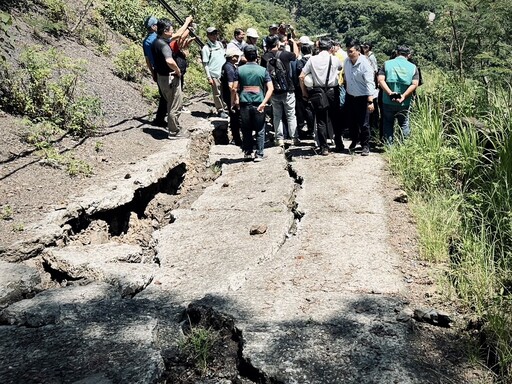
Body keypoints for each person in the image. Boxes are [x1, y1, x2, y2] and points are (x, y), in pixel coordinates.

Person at [299, 39, 342, 155]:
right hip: (332, 91)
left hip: (317, 91)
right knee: (335, 118)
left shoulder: (312, 59)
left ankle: (324, 147)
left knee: (321, 119)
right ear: (330, 48)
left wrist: (304, 93)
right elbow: (339, 68)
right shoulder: (334, 59)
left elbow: (301, 76)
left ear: (318, 48)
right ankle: (339, 144)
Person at [233, 45, 274, 162]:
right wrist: (264, 103)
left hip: (244, 103)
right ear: (256, 56)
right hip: (259, 102)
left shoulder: (239, 70)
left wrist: (234, 100)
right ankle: (259, 154)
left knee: (246, 128)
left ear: (245, 56)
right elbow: (270, 88)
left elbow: (234, 88)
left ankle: (248, 152)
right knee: (260, 128)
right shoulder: (263, 70)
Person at [261, 35, 299, 146]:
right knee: (291, 114)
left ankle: (279, 139)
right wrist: (294, 43)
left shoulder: (264, 57)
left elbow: (264, 74)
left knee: (277, 115)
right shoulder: (285, 54)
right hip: (288, 88)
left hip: (273, 90)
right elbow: (296, 55)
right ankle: (294, 138)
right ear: (277, 44)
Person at [377, 44, 420, 143]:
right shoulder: (413, 67)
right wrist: (404, 96)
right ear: (408, 55)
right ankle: (405, 147)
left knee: (388, 123)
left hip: (388, 101)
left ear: (396, 53)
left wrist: (390, 93)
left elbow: (380, 80)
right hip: (404, 102)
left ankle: (389, 147)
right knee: (404, 123)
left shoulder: (386, 64)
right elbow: (415, 84)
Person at [152, 18, 186, 137]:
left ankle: (173, 127)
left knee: (170, 102)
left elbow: (178, 35)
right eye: (171, 29)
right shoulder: (164, 45)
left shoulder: (156, 42)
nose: (173, 31)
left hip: (161, 78)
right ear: (166, 31)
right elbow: (169, 60)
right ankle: (174, 131)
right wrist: (177, 70)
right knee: (175, 104)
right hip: (170, 78)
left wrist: (186, 23)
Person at [343, 40, 376, 156]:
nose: (349, 53)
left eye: (351, 51)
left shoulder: (365, 64)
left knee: (364, 123)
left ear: (358, 51)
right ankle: (354, 141)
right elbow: (345, 77)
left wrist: (370, 101)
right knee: (351, 121)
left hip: (363, 97)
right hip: (350, 95)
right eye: (347, 51)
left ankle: (365, 145)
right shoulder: (346, 62)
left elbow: (370, 83)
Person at [142, 16, 166, 127]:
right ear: (153, 26)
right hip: (165, 69)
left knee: (163, 95)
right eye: (157, 24)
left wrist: (153, 73)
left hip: (157, 70)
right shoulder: (158, 38)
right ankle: (161, 120)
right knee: (168, 96)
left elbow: (147, 60)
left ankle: (160, 119)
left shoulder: (145, 42)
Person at [201, 26, 228, 118]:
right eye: (212, 34)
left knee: (225, 92)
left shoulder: (220, 44)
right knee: (217, 94)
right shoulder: (206, 48)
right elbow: (205, 64)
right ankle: (220, 110)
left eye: (215, 33)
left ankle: (226, 108)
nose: (214, 36)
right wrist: (209, 77)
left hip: (223, 73)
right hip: (214, 74)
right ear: (208, 35)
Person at [221, 48, 243, 146]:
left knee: (235, 117)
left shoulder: (228, 66)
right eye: (236, 56)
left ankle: (237, 138)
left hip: (229, 95)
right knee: (235, 117)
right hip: (230, 96)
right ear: (232, 57)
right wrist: (235, 98)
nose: (238, 58)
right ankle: (237, 139)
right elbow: (231, 86)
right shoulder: (229, 68)